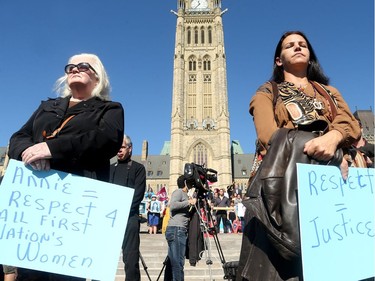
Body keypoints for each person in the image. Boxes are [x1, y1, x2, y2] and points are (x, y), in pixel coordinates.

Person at [237, 31, 361, 281]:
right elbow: (269, 137)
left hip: (331, 189)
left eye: (302, 44)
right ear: (278, 60)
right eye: (290, 45)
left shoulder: (329, 92)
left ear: (310, 55)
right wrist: (330, 152)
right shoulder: (267, 92)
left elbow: (351, 124)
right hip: (283, 189)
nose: (297, 47)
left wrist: (333, 138)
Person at [7, 53, 124, 281]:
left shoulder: (109, 109)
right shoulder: (47, 107)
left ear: (98, 76)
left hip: (73, 210)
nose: (74, 69)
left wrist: (52, 149)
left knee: (66, 276)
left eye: (82, 66)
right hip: (34, 206)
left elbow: (107, 139)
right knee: (30, 275)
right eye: (70, 66)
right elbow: (19, 136)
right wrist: (27, 151)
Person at [110, 135, 146, 281]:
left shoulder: (138, 168)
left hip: (129, 218)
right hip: (110, 219)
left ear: (130, 148)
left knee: (130, 262)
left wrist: (122, 209)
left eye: (123, 147)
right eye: (117, 148)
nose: (119, 150)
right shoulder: (110, 168)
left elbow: (138, 195)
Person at [164, 175, 196, 281]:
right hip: (176, 229)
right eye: (190, 183)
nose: (191, 185)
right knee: (178, 262)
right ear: (185, 183)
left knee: (172, 261)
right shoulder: (178, 192)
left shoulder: (185, 194)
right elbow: (173, 205)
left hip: (178, 229)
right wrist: (189, 202)